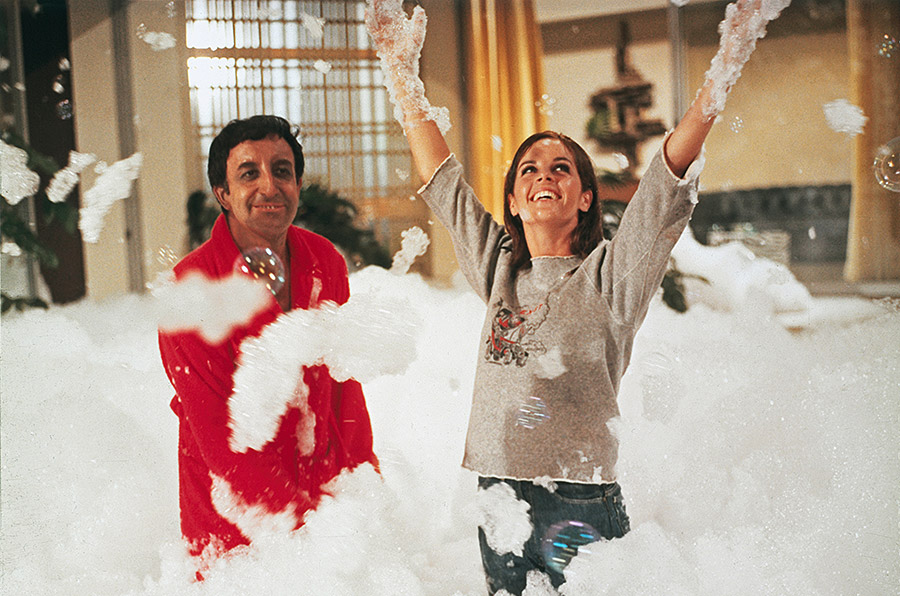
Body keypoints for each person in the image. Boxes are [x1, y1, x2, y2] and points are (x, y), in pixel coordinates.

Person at [365, 0, 778, 593]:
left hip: (579, 495)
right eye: (528, 170)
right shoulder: (498, 267)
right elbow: (443, 182)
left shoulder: (612, 275)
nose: (543, 176)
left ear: (586, 197)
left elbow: (665, 179)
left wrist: (729, 55)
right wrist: (402, 74)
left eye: (561, 168)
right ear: (513, 201)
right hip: (498, 493)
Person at [158, 115, 378, 572]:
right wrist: (305, 527)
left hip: (323, 505)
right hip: (234, 528)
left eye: (282, 171)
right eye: (248, 173)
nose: (269, 186)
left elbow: (343, 387)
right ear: (223, 194)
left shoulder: (324, 261)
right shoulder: (193, 288)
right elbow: (222, 438)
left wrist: (363, 485)